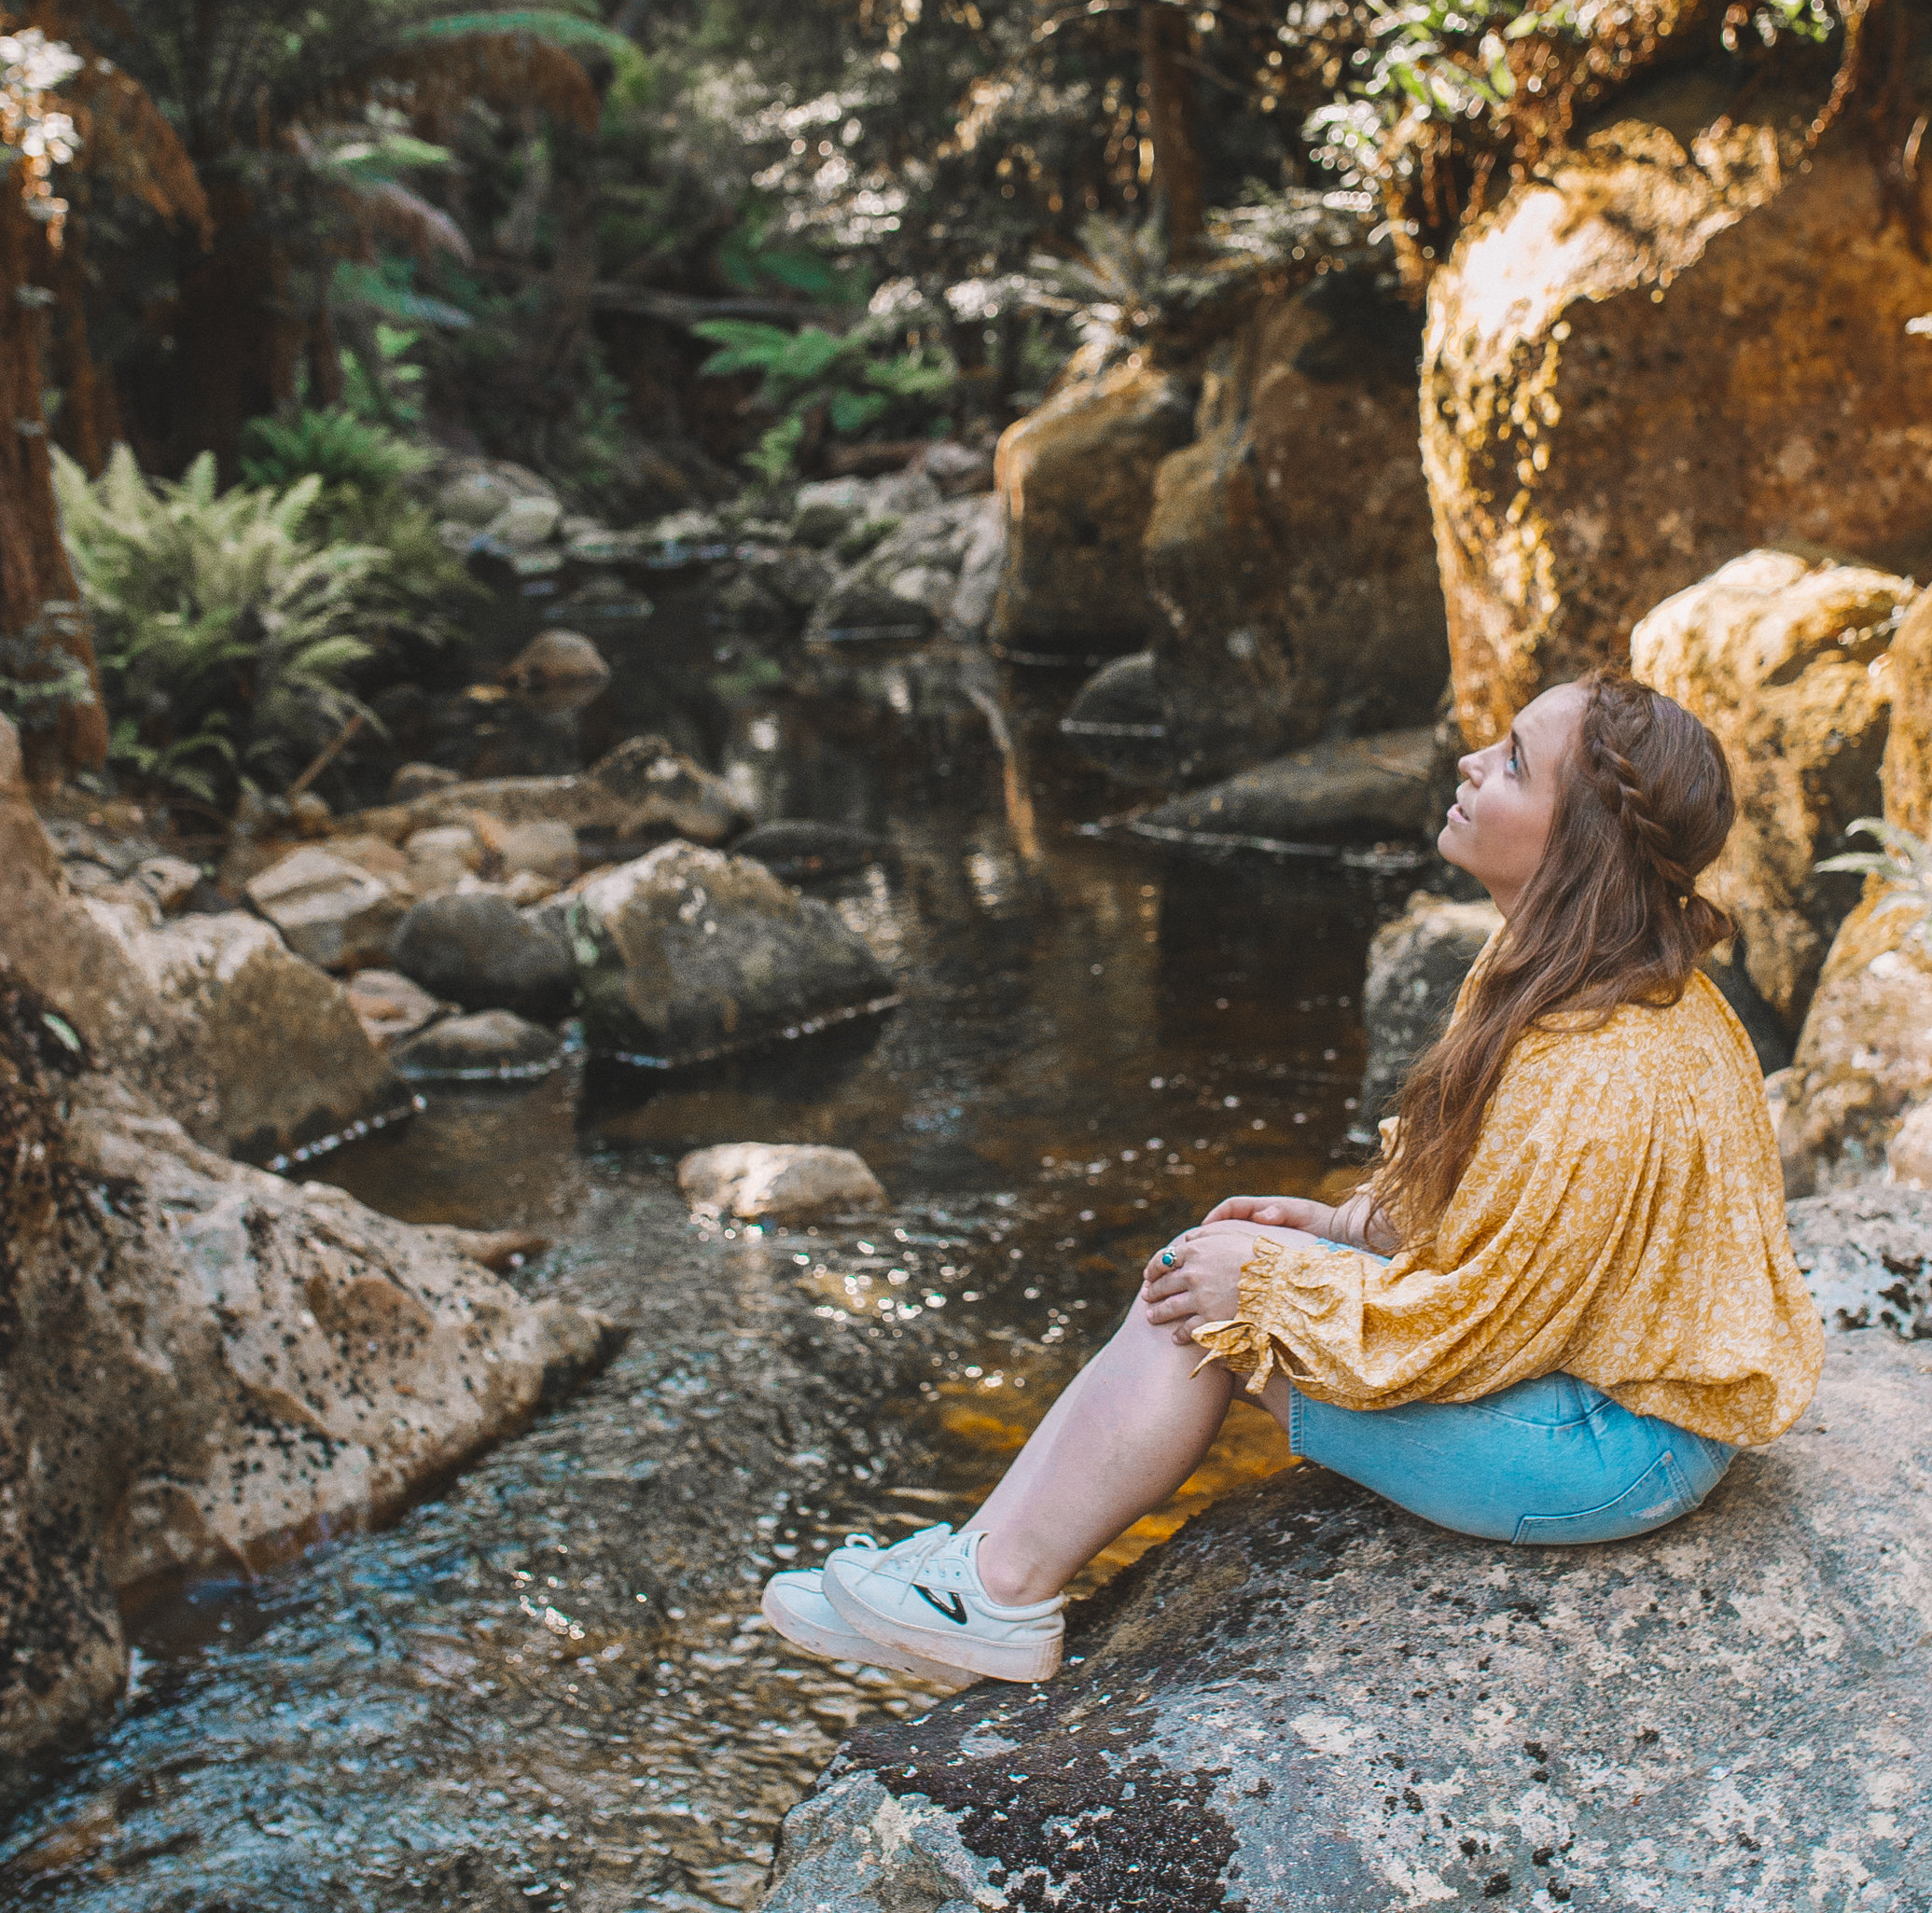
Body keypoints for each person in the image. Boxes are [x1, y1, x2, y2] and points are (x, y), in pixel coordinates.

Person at [761, 671, 1823, 1688]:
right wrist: (1345, 1225)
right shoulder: (1571, 973)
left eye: (1507, 763)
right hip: (1598, 1396)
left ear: (1577, 844)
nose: (1464, 761)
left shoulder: (1602, 1061)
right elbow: (1529, 1237)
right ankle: (980, 1568)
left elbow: (1487, 1328)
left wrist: (1272, 1292)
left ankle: (997, 1590)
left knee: (1208, 1303)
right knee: (1206, 1272)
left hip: (1605, 1452)